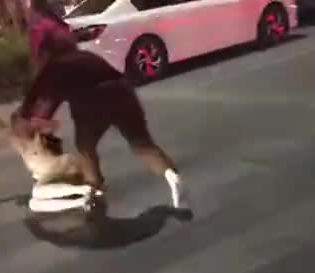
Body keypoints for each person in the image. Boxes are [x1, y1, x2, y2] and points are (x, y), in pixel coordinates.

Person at [12, 33, 190, 211]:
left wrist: (28, 127)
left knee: (85, 147)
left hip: (92, 101)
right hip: (122, 91)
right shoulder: (86, 55)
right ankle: (171, 175)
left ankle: (95, 188)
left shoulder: (52, 69)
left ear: (45, 54)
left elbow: (39, 107)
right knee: (142, 144)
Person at [28, 0, 72, 75]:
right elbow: (36, 54)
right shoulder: (41, 27)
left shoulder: (62, 25)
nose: (61, 8)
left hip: (69, 68)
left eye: (61, 3)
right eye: (58, 4)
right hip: (55, 71)